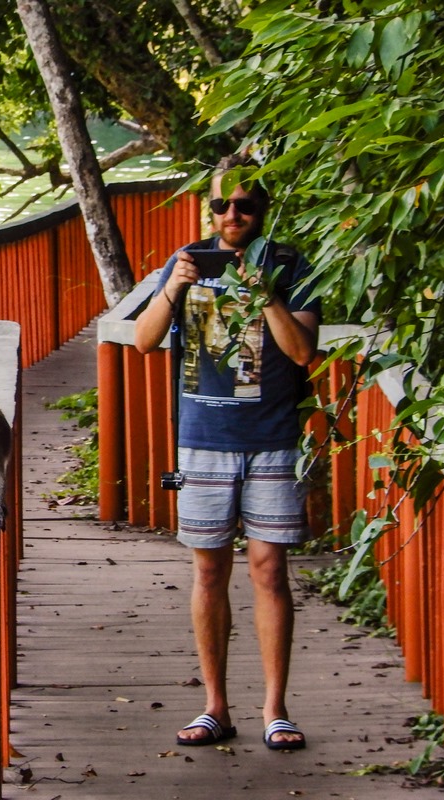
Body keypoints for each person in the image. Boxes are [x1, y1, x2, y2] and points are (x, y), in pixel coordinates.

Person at [133, 154, 320, 751]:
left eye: (244, 204)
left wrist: (264, 295)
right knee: (209, 569)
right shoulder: (184, 262)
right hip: (204, 442)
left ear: (262, 209)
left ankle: (275, 709)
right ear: (208, 209)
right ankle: (215, 707)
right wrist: (172, 289)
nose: (231, 214)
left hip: (272, 439)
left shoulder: (291, 265)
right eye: (221, 204)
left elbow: (302, 354)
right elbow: (142, 341)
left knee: (270, 571)